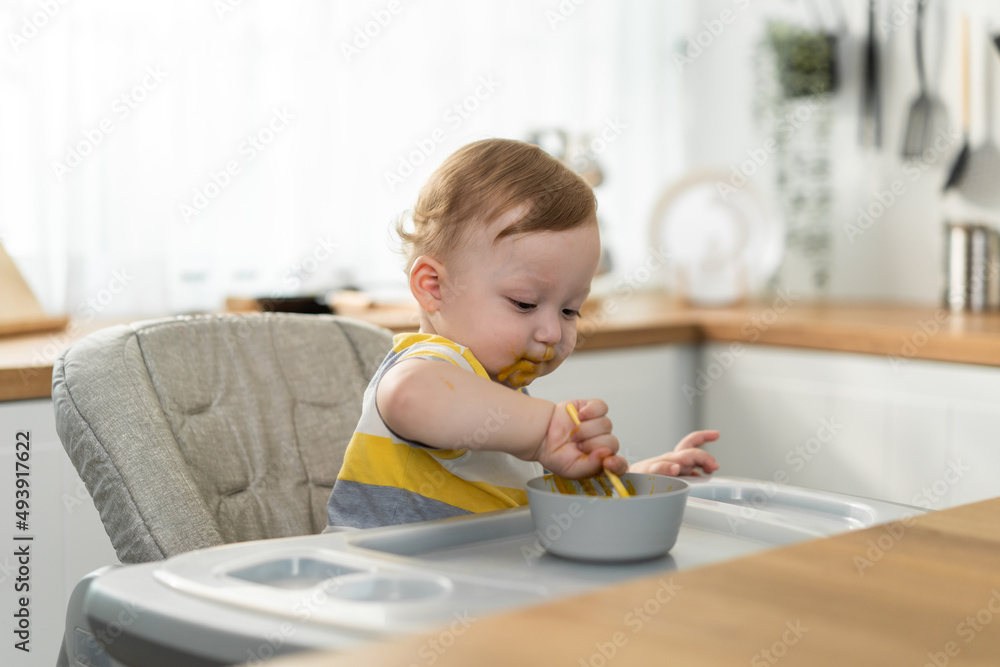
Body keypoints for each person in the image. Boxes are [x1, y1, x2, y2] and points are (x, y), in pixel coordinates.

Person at [327, 138, 718, 529]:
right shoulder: (436, 364)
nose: (552, 332)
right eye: (524, 303)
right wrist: (543, 431)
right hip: (375, 577)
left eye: (570, 310)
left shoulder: (507, 404)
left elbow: (528, 510)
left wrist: (637, 479)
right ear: (434, 287)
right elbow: (409, 395)